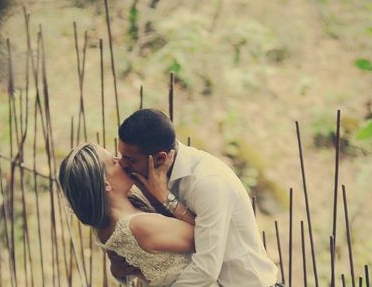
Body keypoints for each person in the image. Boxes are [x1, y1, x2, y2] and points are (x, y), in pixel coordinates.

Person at [118, 108, 281, 287]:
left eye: (130, 160)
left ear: (160, 158)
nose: (122, 164)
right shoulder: (147, 180)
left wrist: (165, 198)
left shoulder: (208, 182)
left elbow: (206, 269)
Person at [58, 142, 195, 286]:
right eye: (113, 162)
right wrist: (164, 196)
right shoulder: (139, 226)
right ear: (106, 184)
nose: (121, 162)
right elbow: (206, 235)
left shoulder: (103, 227)